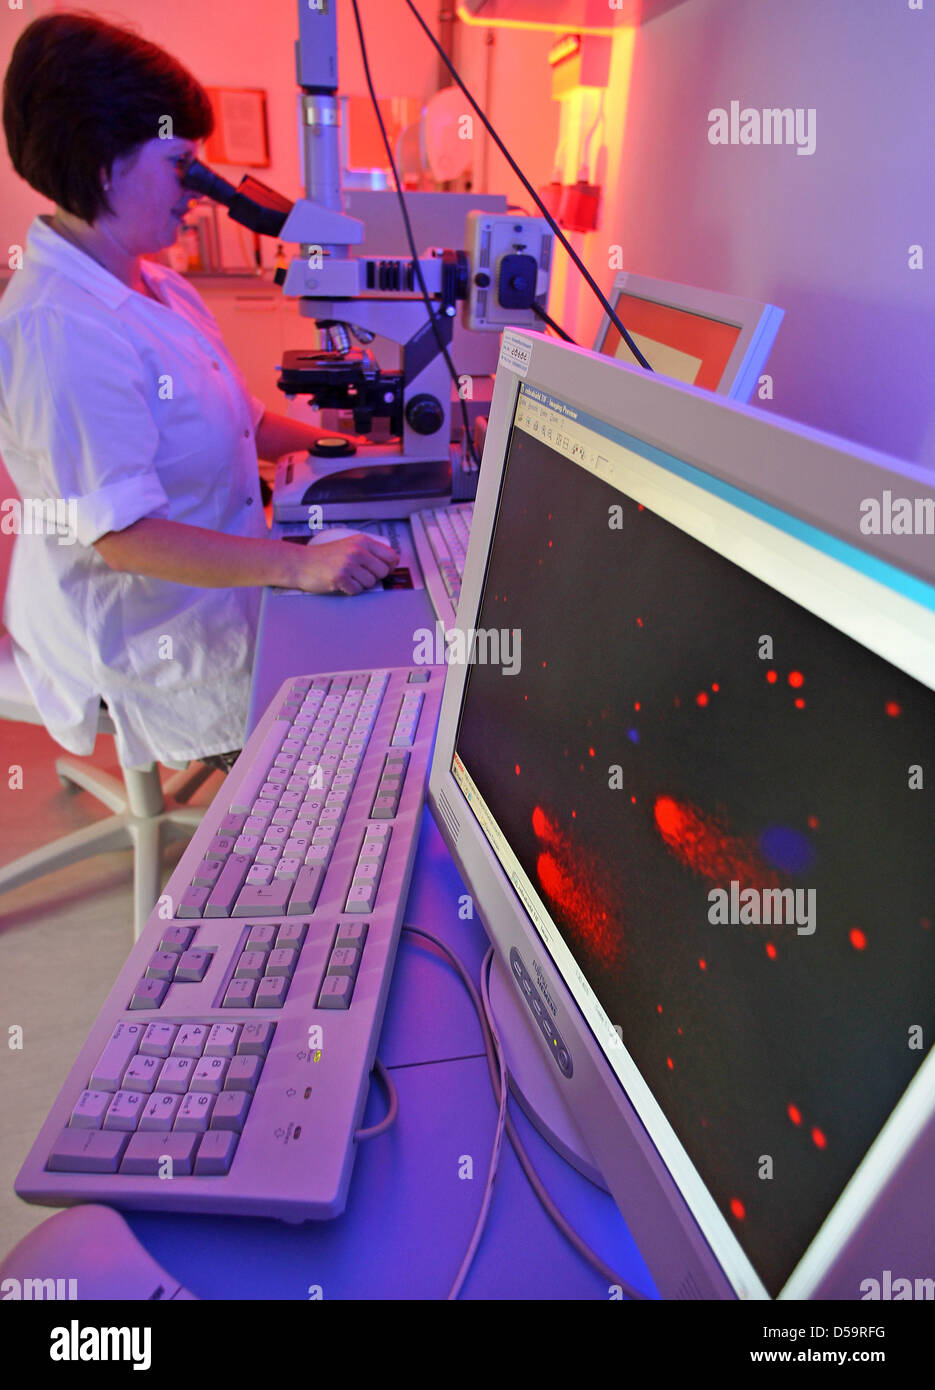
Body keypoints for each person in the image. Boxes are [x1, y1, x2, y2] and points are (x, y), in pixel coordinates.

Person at [0, 12, 397, 771]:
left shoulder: (157, 282)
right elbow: (125, 537)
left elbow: (240, 421)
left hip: (225, 586)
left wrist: (361, 448)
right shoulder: (59, 327)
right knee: (347, 752)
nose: (202, 193)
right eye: (182, 164)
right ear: (107, 164)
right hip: (152, 630)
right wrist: (298, 564)